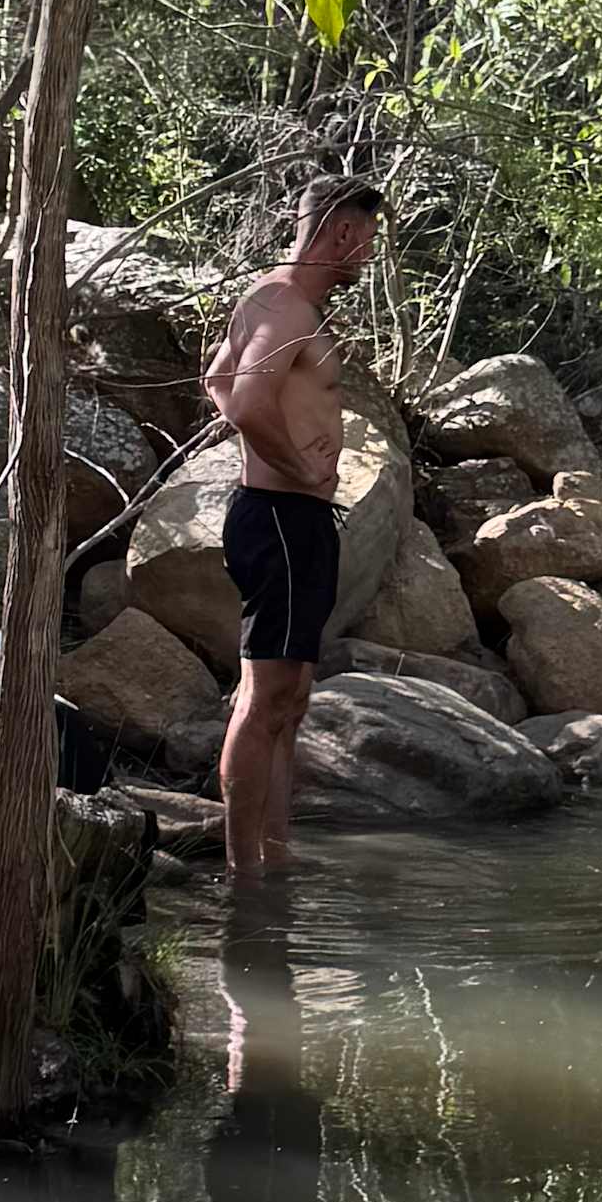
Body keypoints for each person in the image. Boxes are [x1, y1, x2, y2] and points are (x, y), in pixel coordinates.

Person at [202, 177, 387, 888]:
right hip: (280, 518)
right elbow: (246, 402)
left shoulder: (274, 300)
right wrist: (298, 471)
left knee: (291, 698)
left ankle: (272, 856)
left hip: (295, 521)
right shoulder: (287, 310)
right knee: (263, 698)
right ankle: (242, 870)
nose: (366, 255)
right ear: (341, 233)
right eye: (365, 239)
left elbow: (218, 379)